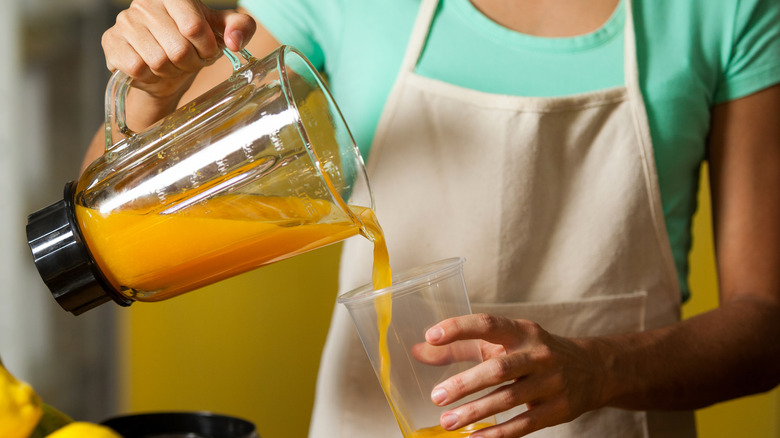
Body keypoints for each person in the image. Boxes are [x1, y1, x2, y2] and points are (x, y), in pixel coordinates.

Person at [86, 0, 780, 437]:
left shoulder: (729, 11)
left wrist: (599, 370)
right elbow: (114, 220)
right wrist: (151, 96)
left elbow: (766, 324)